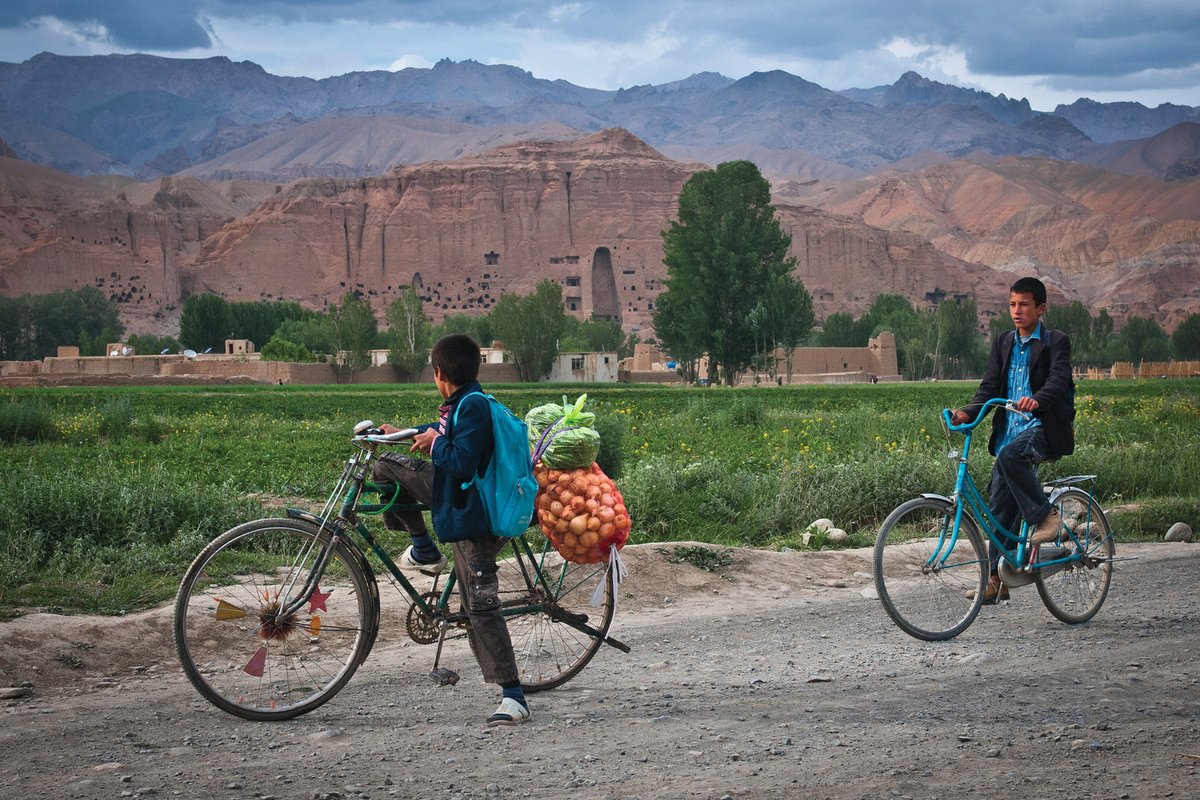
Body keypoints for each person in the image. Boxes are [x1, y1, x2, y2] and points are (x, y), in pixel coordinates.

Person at [372, 333, 529, 726]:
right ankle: (423, 547)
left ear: (439, 372)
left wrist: (434, 443)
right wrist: (407, 433)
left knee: (480, 606)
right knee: (386, 466)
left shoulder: (473, 406)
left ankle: (514, 697)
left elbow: (460, 459)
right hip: (455, 498)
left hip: (473, 514)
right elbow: (444, 432)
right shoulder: (460, 403)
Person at [951, 277, 1075, 604]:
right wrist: (966, 413)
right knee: (998, 508)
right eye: (1012, 304)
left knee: (1010, 458)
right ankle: (996, 581)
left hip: (1042, 428)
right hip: (1010, 433)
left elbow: (1058, 381)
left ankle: (1047, 516)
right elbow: (990, 387)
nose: (1016, 311)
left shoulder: (1055, 341)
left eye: (1023, 305)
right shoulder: (1003, 342)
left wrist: (1037, 399)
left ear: (1040, 308)